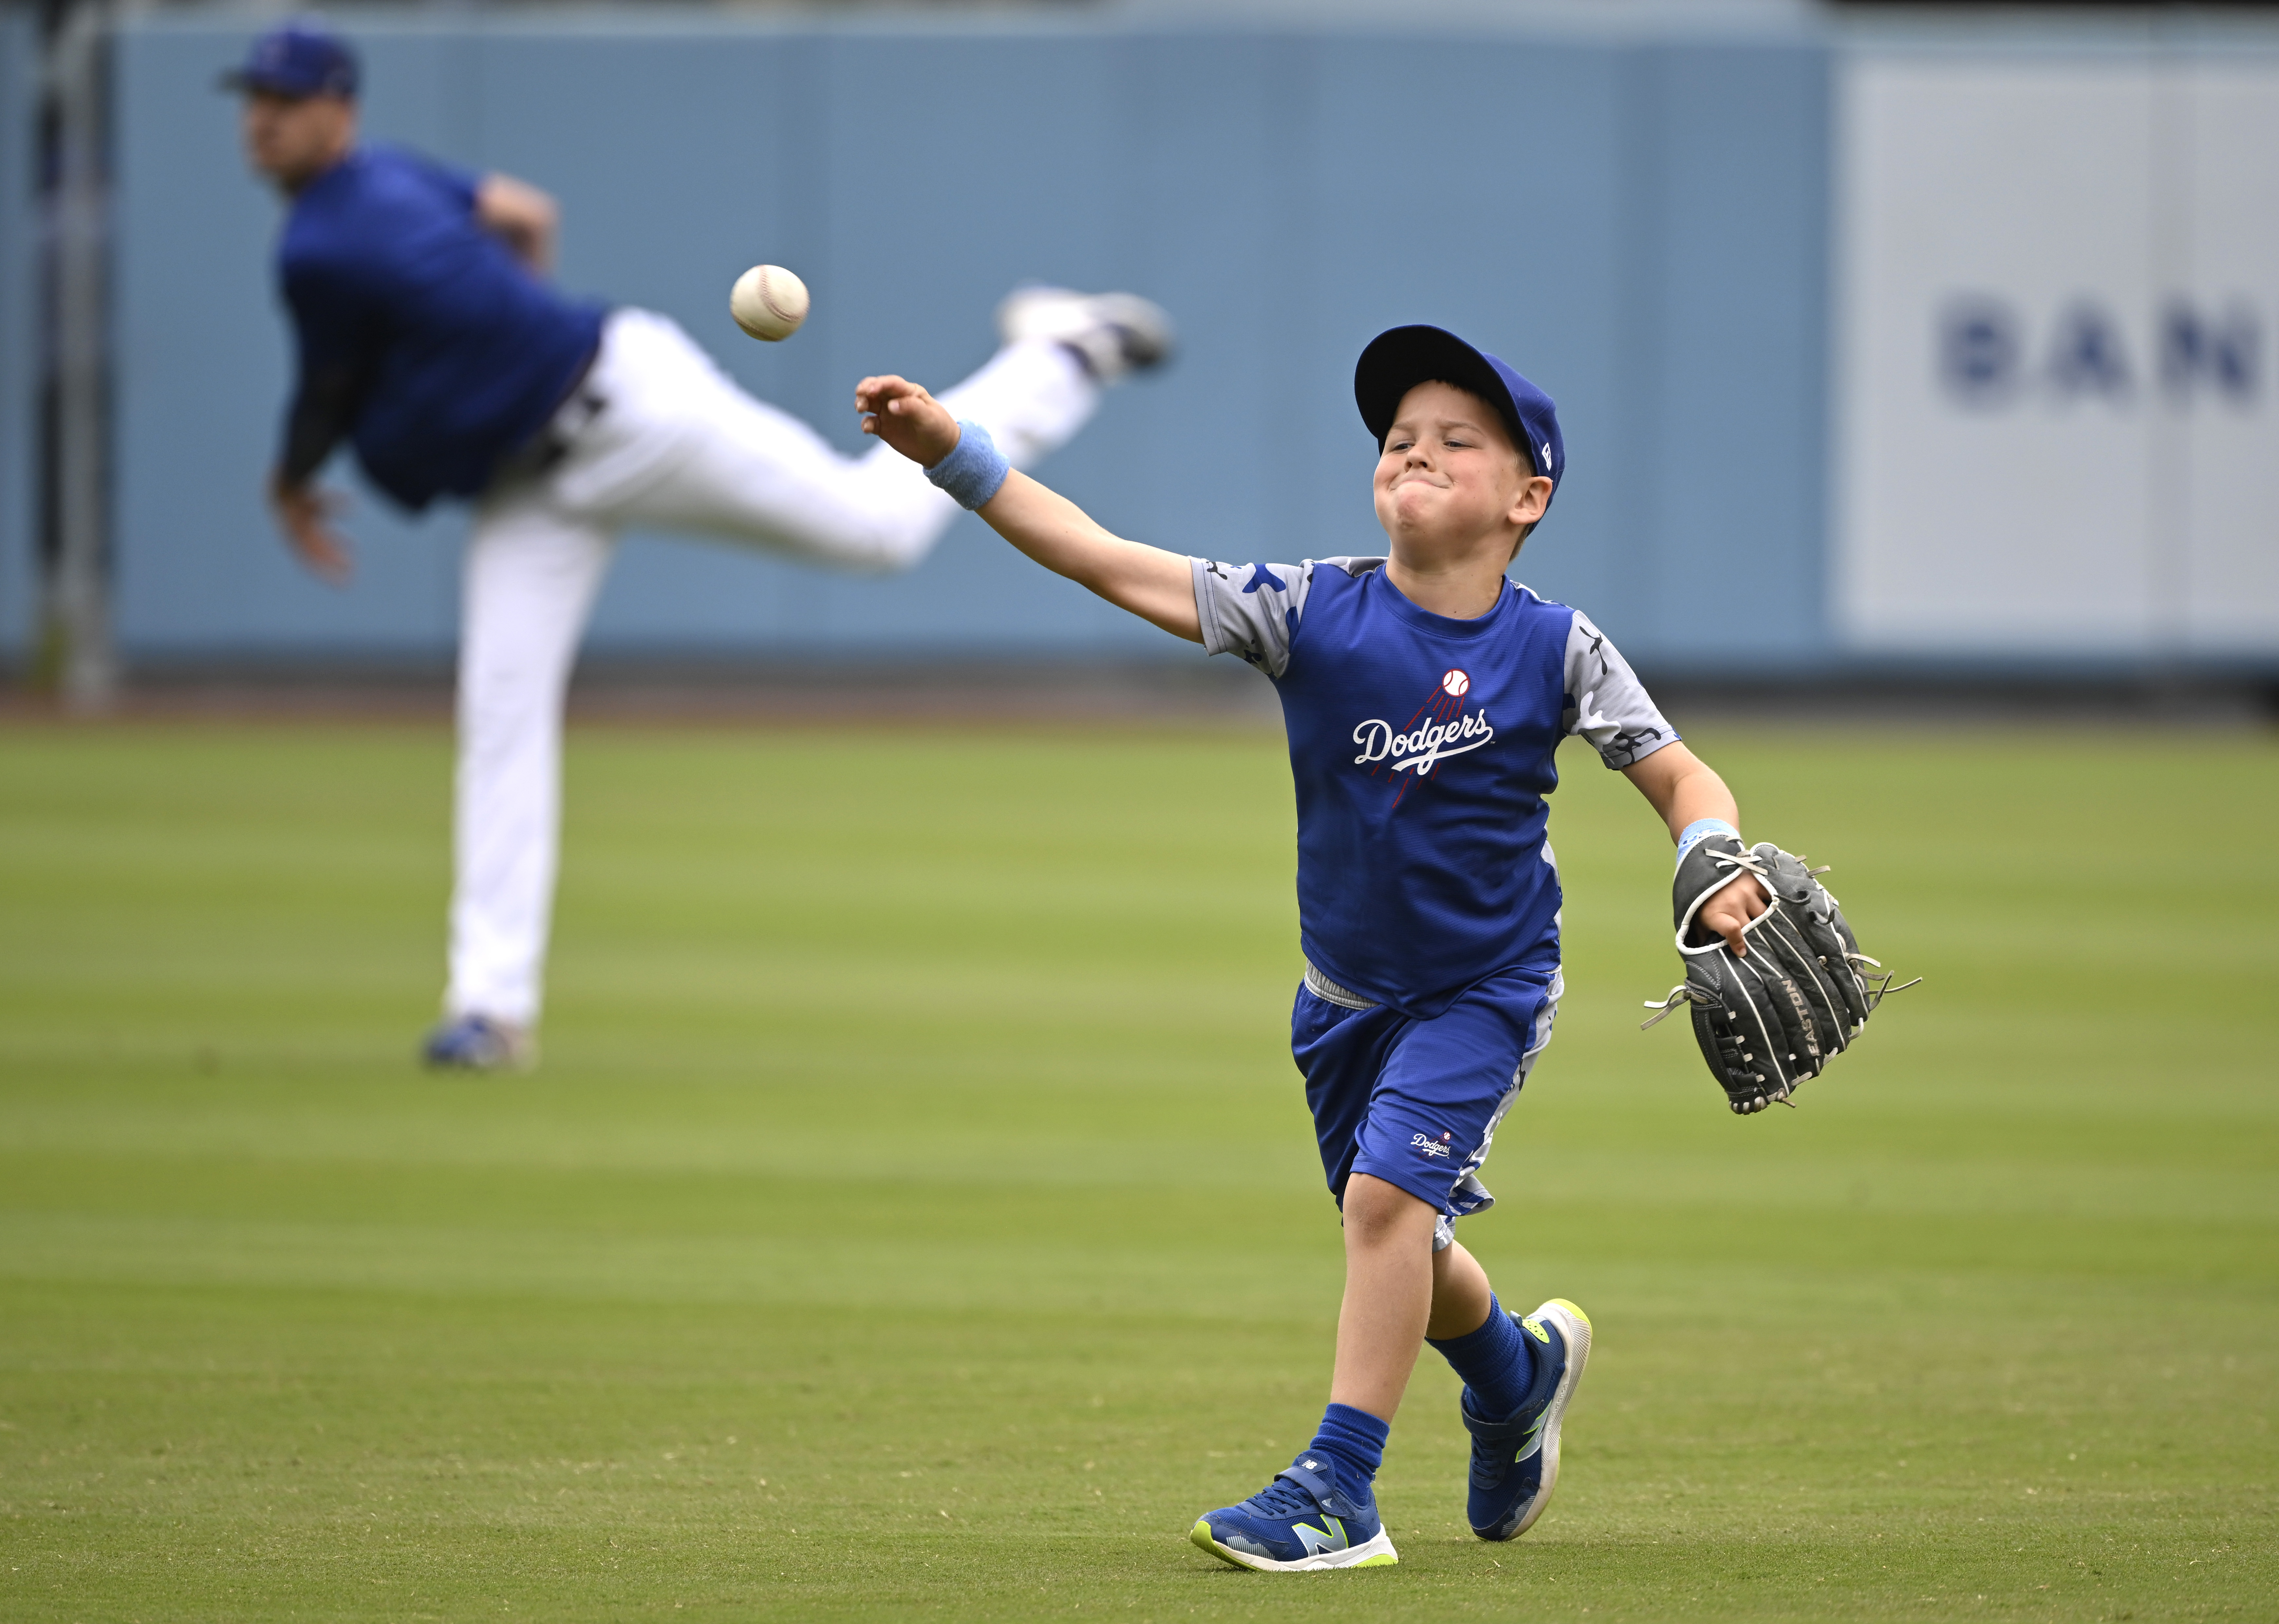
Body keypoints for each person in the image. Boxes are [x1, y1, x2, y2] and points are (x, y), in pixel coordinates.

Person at [853, 324, 1772, 1571]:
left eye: (1458, 441)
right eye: (1399, 439)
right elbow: (1106, 563)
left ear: (1528, 497)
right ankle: (1515, 1376)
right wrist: (951, 455)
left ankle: (1337, 1490)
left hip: (1487, 987)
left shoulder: (1555, 648)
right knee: (1400, 1231)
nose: (1416, 453)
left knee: (1388, 1203)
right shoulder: (1310, 612)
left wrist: (1710, 862)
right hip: (1343, 997)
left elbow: (1680, 776)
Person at [228, 20, 1170, 1071]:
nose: (261, 120)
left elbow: (326, 393)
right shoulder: (390, 179)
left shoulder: (322, 240)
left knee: (878, 528)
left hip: (631, 412)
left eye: (285, 99)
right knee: (500, 716)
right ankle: (491, 1011)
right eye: (252, 98)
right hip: (527, 486)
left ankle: (1062, 352)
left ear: (338, 110)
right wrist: (524, 319)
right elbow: (526, 215)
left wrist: (289, 484)